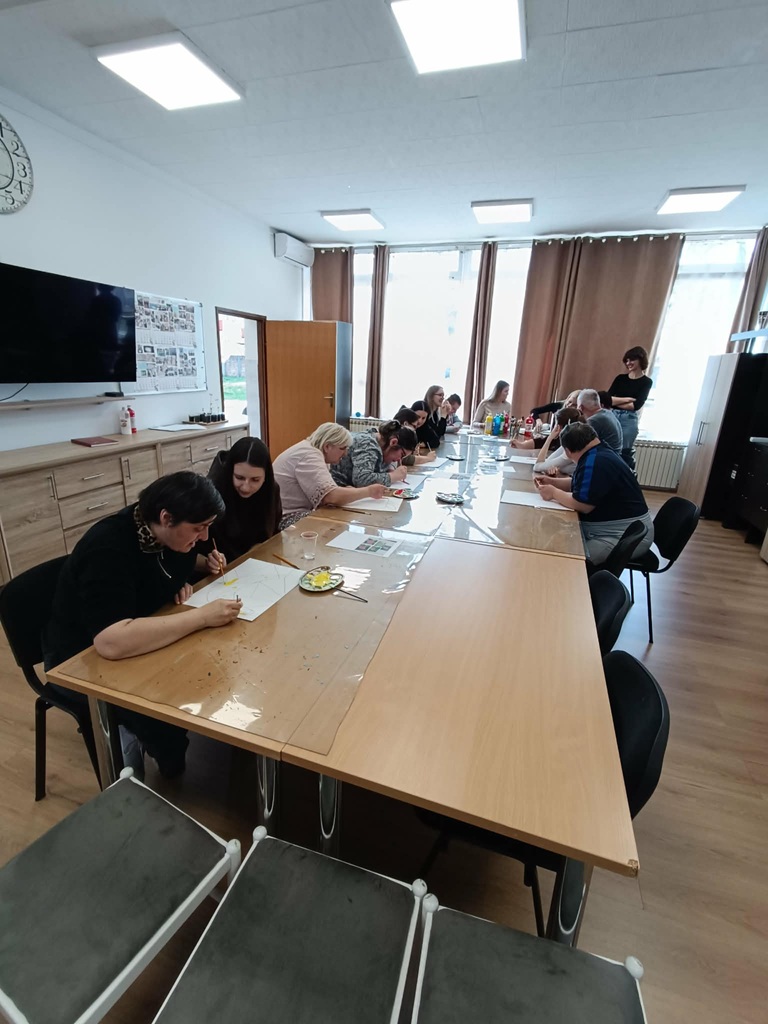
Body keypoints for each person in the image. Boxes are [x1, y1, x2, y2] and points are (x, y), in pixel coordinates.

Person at [43, 472, 242, 778]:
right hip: (79, 658)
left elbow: (170, 562)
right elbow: (110, 642)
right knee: (167, 712)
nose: (204, 538)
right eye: (198, 528)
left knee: (211, 671)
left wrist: (201, 566)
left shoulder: (162, 533)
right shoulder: (108, 547)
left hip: (138, 628)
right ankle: (138, 743)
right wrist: (202, 617)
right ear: (166, 517)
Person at [533, 421, 654, 566]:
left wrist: (554, 493)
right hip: (623, 528)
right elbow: (581, 484)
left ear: (568, 451)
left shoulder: (595, 462)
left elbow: (583, 505)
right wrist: (552, 482)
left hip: (623, 536)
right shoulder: (599, 452)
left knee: (568, 561)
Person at [273, 422, 386, 522]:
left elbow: (328, 492)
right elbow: (331, 497)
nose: (345, 454)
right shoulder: (310, 455)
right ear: (327, 446)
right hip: (286, 518)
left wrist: (349, 492)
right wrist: (369, 491)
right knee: (339, 523)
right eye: (342, 448)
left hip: (288, 512)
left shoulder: (311, 450)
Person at [200, 436, 281, 565]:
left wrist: (259, 548)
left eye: (255, 480)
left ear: (266, 476)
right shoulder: (212, 492)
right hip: (222, 567)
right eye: (239, 478)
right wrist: (208, 561)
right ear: (230, 471)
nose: (245, 487)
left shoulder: (271, 489)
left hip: (258, 561)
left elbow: (273, 531)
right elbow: (198, 547)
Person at [331, 420, 417, 488]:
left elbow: (382, 465)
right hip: (336, 488)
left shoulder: (383, 444)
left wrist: (390, 468)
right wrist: (393, 476)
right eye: (402, 454)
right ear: (393, 442)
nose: (399, 460)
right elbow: (361, 480)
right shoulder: (367, 444)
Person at [607, 347, 653, 473]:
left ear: (640, 360)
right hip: (612, 416)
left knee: (624, 454)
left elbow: (636, 406)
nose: (628, 363)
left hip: (629, 419)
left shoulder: (646, 382)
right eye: (626, 361)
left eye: (631, 360)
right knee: (608, 449)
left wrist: (616, 401)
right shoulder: (620, 378)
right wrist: (627, 399)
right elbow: (607, 399)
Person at [532, 406, 584, 478]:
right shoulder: (570, 443)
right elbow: (545, 463)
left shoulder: (572, 448)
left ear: (558, 427)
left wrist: (550, 438)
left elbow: (537, 466)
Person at [576, 389, 623, 454]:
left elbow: (581, 447)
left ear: (581, 407)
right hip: (614, 455)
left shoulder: (594, 420)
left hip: (605, 457)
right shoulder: (607, 413)